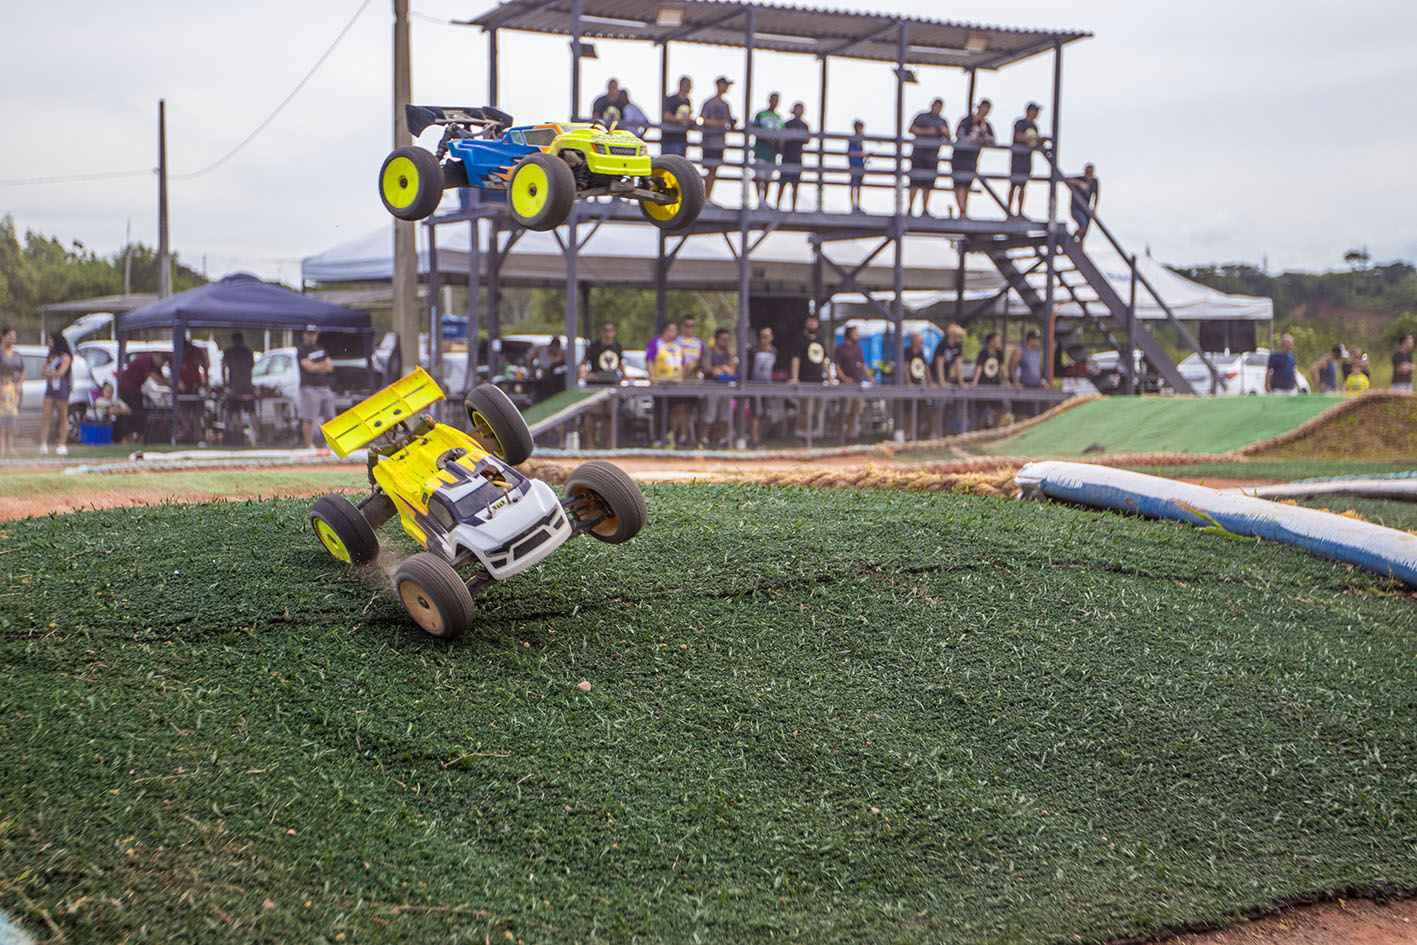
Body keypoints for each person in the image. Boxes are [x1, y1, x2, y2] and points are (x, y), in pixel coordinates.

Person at [579, 321, 625, 448]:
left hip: (612, 385)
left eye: (610, 330)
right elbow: (583, 363)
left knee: (610, 415)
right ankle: (590, 444)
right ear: (601, 332)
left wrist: (624, 377)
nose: (608, 333)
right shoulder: (594, 346)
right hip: (595, 386)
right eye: (605, 330)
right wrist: (587, 374)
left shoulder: (617, 346)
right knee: (591, 415)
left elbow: (621, 363)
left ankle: (609, 445)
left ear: (614, 332)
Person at [907, 98, 950, 216]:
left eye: (940, 107)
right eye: (936, 106)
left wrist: (944, 132)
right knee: (914, 183)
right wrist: (927, 132)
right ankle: (910, 208)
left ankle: (925, 209)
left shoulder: (942, 121)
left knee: (928, 185)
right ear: (932, 106)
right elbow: (911, 129)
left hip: (932, 157)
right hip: (918, 155)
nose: (937, 109)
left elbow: (949, 137)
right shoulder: (922, 117)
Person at [953, 99, 995, 219]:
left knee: (967, 185)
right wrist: (971, 141)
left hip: (973, 158)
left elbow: (993, 139)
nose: (985, 111)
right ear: (979, 107)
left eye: (988, 109)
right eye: (984, 108)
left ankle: (964, 211)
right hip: (960, 156)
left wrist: (986, 139)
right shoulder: (967, 121)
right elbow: (959, 135)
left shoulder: (985, 125)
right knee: (960, 184)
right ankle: (961, 211)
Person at [115, 350, 169, 442]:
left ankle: (138, 435)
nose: (162, 364)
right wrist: (171, 385)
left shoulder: (156, 366)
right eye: (162, 361)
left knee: (139, 411)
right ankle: (130, 436)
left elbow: (160, 377)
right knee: (136, 412)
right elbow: (154, 376)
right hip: (127, 387)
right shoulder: (146, 361)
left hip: (136, 389)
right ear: (156, 357)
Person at [647, 322, 686, 447]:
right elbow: (650, 360)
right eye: (672, 330)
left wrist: (681, 377)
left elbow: (683, 363)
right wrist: (652, 376)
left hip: (675, 384)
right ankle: (658, 437)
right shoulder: (656, 343)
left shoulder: (678, 345)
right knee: (660, 410)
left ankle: (672, 436)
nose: (675, 333)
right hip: (660, 383)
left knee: (675, 410)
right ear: (666, 331)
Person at [789, 314, 828, 438]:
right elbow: (796, 358)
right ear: (806, 324)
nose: (812, 324)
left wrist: (830, 377)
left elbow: (824, 359)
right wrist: (795, 377)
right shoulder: (800, 339)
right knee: (805, 410)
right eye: (810, 322)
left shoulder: (820, 340)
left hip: (818, 381)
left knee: (816, 410)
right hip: (805, 380)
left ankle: (810, 435)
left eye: (814, 322)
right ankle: (800, 434)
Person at [297, 325, 336, 449]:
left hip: (324, 387)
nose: (311, 336)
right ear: (304, 335)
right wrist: (321, 365)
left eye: (313, 334)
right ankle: (309, 444)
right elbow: (308, 367)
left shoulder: (321, 348)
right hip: (309, 387)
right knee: (308, 417)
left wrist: (316, 366)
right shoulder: (302, 350)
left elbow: (330, 367)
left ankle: (328, 443)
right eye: (309, 333)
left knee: (330, 416)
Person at [1007, 102, 1047, 217]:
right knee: (1014, 185)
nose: (1037, 114)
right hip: (1017, 158)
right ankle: (1009, 211)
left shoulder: (1034, 126)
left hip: (1027, 159)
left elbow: (1033, 142)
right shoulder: (1020, 123)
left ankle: (1019, 211)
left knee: (1023, 185)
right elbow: (1018, 136)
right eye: (1035, 111)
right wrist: (1034, 138)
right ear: (1029, 111)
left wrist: (1040, 141)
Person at [698, 76, 734, 202]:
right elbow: (703, 120)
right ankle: (705, 196)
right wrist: (718, 123)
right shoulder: (709, 103)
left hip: (719, 143)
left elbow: (728, 121)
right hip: (709, 142)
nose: (726, 88)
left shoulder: (725, 105)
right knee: (709, 169)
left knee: (714, 170)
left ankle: (708, 196)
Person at [833, 324, 872, 440]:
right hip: (846, 385)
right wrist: (844, 378)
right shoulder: (840, 349)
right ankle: (840, 433)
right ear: (849, 335)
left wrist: (869, 377)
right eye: (856, 333)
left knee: (855, 411)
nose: (858, 336)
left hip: (858, 384)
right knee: (844, 410)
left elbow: (863, 364)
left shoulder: (858, 349)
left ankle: (850, 435)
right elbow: (837, 366)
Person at [701, 328, 737, 448]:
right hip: (711, 386)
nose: (725, 342)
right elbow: (707, 368)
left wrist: (723, 369)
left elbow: (732, 370)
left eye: (727, 339)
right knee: (709, 413)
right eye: (723, 339)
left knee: (725, 414)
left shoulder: (729, 353)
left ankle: (723, 439)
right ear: (716, 340)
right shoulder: (709, 351)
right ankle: (704, 439)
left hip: (725, 386)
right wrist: (720, 368)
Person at [38, 332, 73, 455]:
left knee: (62, 415)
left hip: (61, 388)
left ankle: (62, 444)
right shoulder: (50, 356)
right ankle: (43, 444)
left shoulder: (65, 357)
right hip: (50, 388)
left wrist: (50, 374)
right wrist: (51, 374)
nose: (49, 342)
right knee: (46, 415)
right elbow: (42, 372)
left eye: (50, 340)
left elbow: (60, 373)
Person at [222, 331, 257, 445]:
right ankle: (258, 437)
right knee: (252, 412)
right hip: (247, 385)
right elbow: (252, 366)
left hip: (235, 386)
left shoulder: (228, 352)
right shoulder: (248, 352)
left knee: (235, 411)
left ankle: (237, 435)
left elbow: (223, 368)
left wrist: (225, 384)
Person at [746, 326, 778, 448]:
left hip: (768, 386)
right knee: (756, 413)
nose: (764, 339)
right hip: (755, 385)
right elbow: (748, 367)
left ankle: (760, 438)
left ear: (771, 337)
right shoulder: (754, 351)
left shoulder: (774, 351)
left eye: (767, 336)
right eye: (762, 336)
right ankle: (754, 441)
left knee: (764, 413)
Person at [750, 93, 784, 205]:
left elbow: (782, 134)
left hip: (772, 153)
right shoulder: (761, 114)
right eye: (773, 99)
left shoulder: (778, 118)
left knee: (768, 178)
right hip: (761, 151)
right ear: (769, 100)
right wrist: (767, 139)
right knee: (759, 176)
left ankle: (764, 199)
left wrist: (777, 143)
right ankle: (759, 199)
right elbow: (754, 129)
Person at [776, 102, 810, 211]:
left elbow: (807, 140)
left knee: (795, 185)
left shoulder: (805, 126)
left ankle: (793, 208)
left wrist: (796, 135)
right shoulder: (787, 124)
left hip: (797, 157)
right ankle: (777, 206)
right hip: (786, 156)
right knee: (782, 183)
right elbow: (781, 139)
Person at [969, 331, 1005, 427]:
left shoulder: (999, 353)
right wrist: (975, 382)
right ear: (991, 341)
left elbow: (1002, 368)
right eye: (997, 340)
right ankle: (979, 431)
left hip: (995, 386)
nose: (999, 342)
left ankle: (993, 429)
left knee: (1000, 409)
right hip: (983, 385)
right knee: (980, 411)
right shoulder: (983, 353)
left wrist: (1007, 381)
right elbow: (979, 367)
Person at [0, 326, 21, 458]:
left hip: (11, 410)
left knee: (10, 429)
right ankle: (2, 449)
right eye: (9, 335)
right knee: (2, 430)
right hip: (2, 410)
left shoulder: (13, 387)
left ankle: (10, 447)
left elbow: (16, 398)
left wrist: (12, 407)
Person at [660, 76, 695, 157]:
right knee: (670, 163)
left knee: (680, 164)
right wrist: (682, 120)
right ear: (682, 85)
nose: (690, 88)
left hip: (682, 138)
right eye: (688, 85)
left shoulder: (687, 101)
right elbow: (666, 117)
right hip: (670, 138)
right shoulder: (671, 100)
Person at [1068, 163, 1100, 244]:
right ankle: (1071, 239)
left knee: (1084, 234)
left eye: (1090, 172)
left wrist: (1094, 209)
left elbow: (1096, 196)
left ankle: (1079, 247)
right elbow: (1066, 179)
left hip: (1086, 210)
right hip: (1076, 208)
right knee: (1083, 226)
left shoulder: (1094, 182)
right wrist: (1079, 183)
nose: (1088, 174)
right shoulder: (1080, 178)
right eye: (1087, 172)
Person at [931, 323, 965, 387]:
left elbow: (959, 365)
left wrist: (961, 382)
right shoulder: (942, 345)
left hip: (946, 374)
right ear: (952, 335)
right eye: (959, 336)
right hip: (934, 375)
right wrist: (942, 381)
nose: (961, 338)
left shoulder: (958, 346)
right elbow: (939, 365)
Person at [846, 120, 868, 213]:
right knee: (853, 185)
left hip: (860, 164)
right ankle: (853, 206)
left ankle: (857, 205)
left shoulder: (860, 140)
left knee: (858, 186)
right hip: (854, 164)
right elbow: (851, 152)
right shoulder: (853, 140)